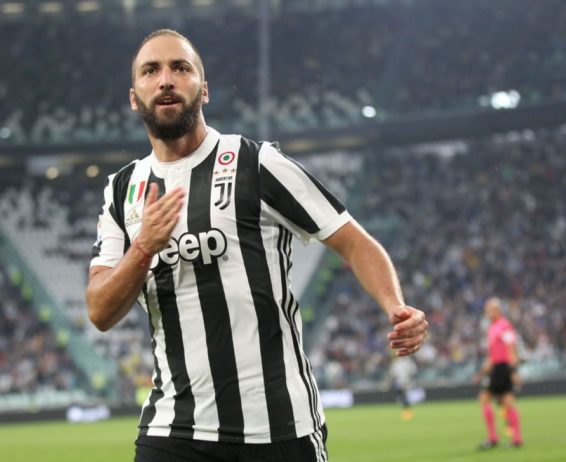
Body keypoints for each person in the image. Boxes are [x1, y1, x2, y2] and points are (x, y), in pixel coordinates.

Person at [86, 29, 428, 462]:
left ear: (204, 90)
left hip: (278, 426)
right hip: (174, 429)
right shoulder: (122, 190)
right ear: (134, 97)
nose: (166, 79)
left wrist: (395, 306)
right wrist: (142, 249)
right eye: (150, 71)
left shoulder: (256, 163)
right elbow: (99, 311)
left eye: (181, 68)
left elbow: (353, 240)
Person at [474, 297, 523, 450]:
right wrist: (481, 372)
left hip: (503, 368)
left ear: (497, 310)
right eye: (487, 310)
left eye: (490, 310)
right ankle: (516, 439)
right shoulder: (493, 327)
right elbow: (491, 355)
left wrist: (513, 371)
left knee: (485, 398)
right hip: (497, 367)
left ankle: (493, 438)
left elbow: (512, 348)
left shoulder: (504, 326)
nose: (488, 313)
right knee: (507, 401)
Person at [388, 355, 417, 421]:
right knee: (402, 396)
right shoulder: (396, 363)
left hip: (408, 382)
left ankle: (407, 410)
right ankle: (406, 409)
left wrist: (410, 381)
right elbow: (393, 374)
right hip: (399, 382)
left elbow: (413, 372)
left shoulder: (409, 362)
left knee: (407, 396)